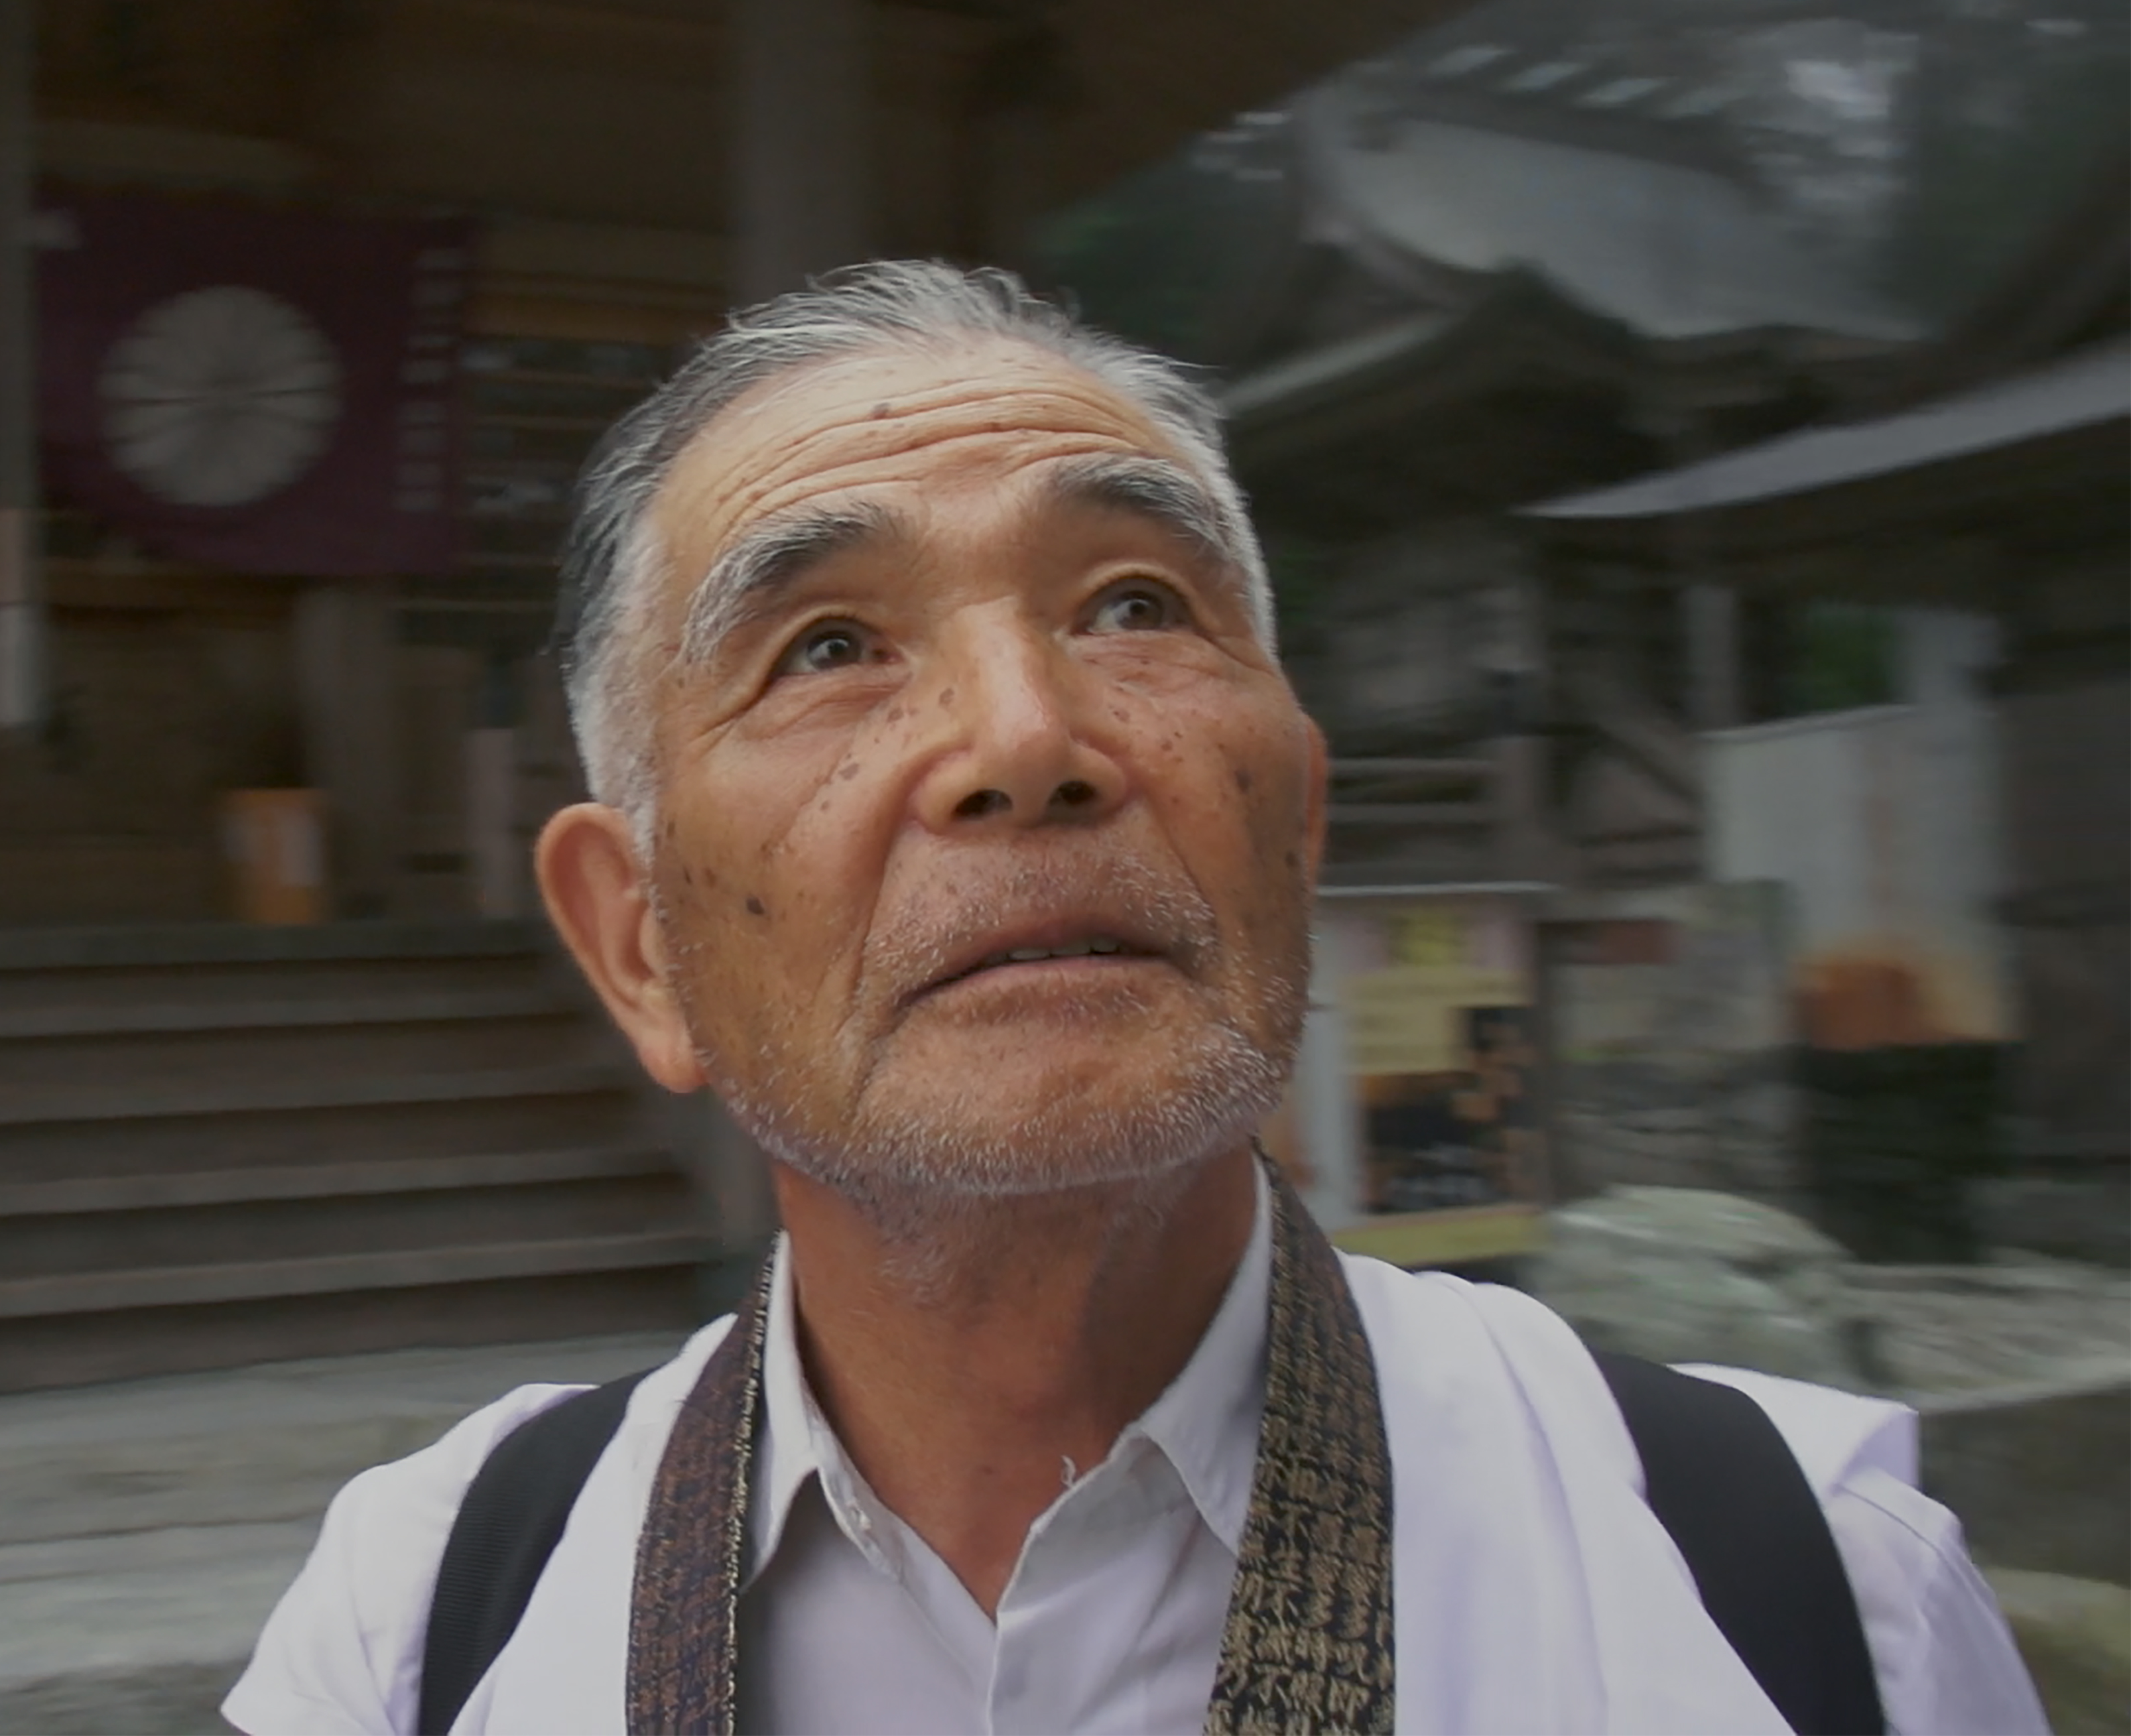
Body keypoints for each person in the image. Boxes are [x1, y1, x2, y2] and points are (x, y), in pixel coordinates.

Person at [224, 264, 2044, 1735]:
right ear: (639, 945)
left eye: (1130, 604)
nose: (1025, 741)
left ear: (1299, 825)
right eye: (830, 647)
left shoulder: (1795, 1588)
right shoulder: (422, 1634)